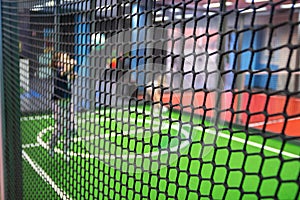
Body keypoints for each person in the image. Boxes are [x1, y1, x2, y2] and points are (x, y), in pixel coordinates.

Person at [49, 52, 77, 161]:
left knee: (70, 128)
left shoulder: (68, 70)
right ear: (58, 63)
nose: (66, 60)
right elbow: (67, 68)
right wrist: (71, 63)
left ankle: (66, 151)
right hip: (58, 103)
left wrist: (73, 74)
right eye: (63, 59)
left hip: (68, 101)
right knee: (60, 129)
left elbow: (72, 77)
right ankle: (51, 145)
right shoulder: (59, 71)